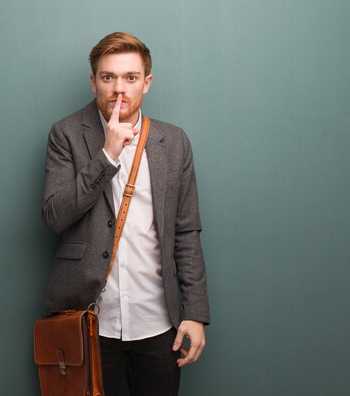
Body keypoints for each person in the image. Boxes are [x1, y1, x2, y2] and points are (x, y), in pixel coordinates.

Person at [41, 32, 210, 395]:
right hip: (89, 322)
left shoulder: (174, 142)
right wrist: (107, 156)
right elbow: (55, 216)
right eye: (108, 77)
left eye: (130, 78)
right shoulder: (66, 134)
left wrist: (194, 312)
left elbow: (186, 232)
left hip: (158, 323)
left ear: (146, 83)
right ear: (93, 81)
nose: (119, 89)